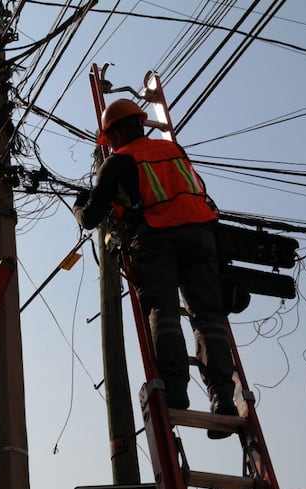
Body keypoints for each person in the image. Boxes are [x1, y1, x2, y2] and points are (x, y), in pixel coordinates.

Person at [72, 99, 238, 439]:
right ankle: (223, 397)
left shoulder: (117, 162)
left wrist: (77, 207)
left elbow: (91, 217)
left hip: (155, 240)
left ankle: (175, 391)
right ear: (141, 123)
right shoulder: (174, 150)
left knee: (163, 311)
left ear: (115, 132)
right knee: (208, 316)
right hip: (201, 237)